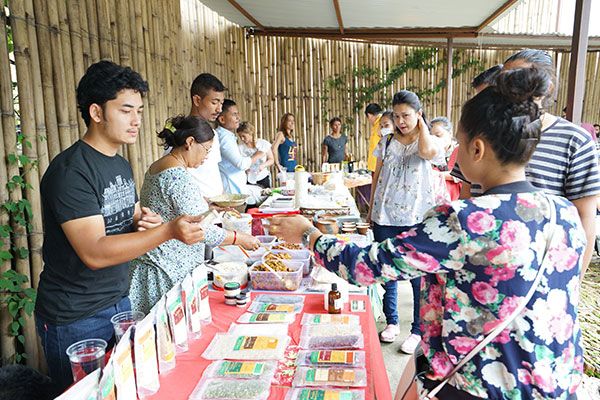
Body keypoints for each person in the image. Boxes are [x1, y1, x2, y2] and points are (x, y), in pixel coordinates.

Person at [270, 66, 585, 399]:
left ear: (476, 149)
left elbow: (367, 266)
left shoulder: (467, 219)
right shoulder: (563, 212)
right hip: (554, 383)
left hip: (483, 386)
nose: (451, 152)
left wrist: (308, 234)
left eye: (456, 143)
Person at [35, 61, 205, 391]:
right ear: (97, 112)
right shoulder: (71, 171)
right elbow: (95, 252)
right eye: (126, 110)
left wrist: (140, 219)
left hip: (118, 300)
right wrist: (167, 230)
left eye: (139, 110)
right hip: (76, 315)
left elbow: (123, 215)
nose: (137, 120)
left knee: (124, 390)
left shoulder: (119, 163)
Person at [452, 49, 600, 280]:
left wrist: (573, 282)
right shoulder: (482, 131)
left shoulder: (575, 140)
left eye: (519, 77)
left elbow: (584, 216)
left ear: (546, 87)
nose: (510, 86)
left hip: (542, 271)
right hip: (482, 264)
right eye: (505, 78)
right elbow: (466, 193)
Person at [129, 116, 260, 313]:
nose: (206, 156)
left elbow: (172, 209)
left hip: (156, 264)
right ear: (190, 142)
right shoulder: (177, 176)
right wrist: (240, 238)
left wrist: (210, 204)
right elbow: (200, 230)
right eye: (206, 150)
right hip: (167, 269)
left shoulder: (162, 165)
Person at [367, 91, 445, 351]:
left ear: (419, 114)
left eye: (407, 115)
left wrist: (421, 126)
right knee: (386, 270)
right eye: (397, 116)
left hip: (415, 217)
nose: (401, 121)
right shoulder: (387, 142)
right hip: (384, 216)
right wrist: (371, 210)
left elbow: (426, 152)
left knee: (415, 275)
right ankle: (392, 322)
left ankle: (417, 330)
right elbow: (377, 175)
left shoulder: (429, 140)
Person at [186, 73, 226, 198]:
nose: (219, 109)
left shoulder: (213, 133)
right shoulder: (182, 133)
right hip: (197, 210)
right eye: (214, 102)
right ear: (197, 100)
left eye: (221, 103)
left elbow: (213, 171)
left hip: (215, 206)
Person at [216, 99, 264, 195]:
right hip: (232, 190)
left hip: (236, 188)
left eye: (238, 114)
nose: (238, 117)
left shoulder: (227, 135)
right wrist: (257, 155)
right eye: (234, 114)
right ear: (222, 119)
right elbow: (241, 164)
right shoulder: (224, 138)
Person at [430, 116, 461, 201]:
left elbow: (460, 176)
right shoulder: (430, 153)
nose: (435, 139)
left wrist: (435, 174)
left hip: (455, 195)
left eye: (438, 135)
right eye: (431, 136)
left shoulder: (460, 150)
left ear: (450, 133)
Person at [238, 121, 274, 188]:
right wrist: (246, 169)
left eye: (244, 136)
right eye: (240, 136)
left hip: (263, 178)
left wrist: (262, 166)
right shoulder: (240, 148)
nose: (242, 139)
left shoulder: (263, 143)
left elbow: (271, 159)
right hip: (248, 179)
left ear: (250, 133)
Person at [365, 103, 383, 172]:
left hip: (379, 167)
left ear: (369, 115)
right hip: (376, 166)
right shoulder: (376, 125)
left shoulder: (382, 123)